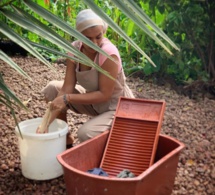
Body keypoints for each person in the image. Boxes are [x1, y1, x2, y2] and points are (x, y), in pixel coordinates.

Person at [39, 9, 134, 144]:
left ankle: (120, 137)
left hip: (117, 107)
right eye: (88, 39)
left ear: (104, 32)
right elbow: (67, 87)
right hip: (94, 103)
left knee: (85, 133)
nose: (94, 43)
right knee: (52, 89)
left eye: (98, 37)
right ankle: (65, 139)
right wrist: (45, 124)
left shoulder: (109, 54)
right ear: (79, 35)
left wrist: (67, 99)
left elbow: (104, 95)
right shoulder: (75, 50)